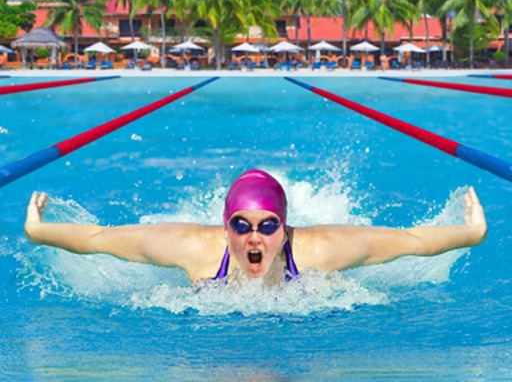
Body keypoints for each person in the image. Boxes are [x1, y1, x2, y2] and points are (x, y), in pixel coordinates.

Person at [25, 169, 487, 286]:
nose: (253, 237)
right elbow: (101, 239)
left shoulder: (322, 251)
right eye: (240, 225)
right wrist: (37, 229)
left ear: (285, 230)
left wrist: (473, 232)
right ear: (224, 227)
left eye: (268, 226)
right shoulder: (192, 249)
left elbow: (410, 241)